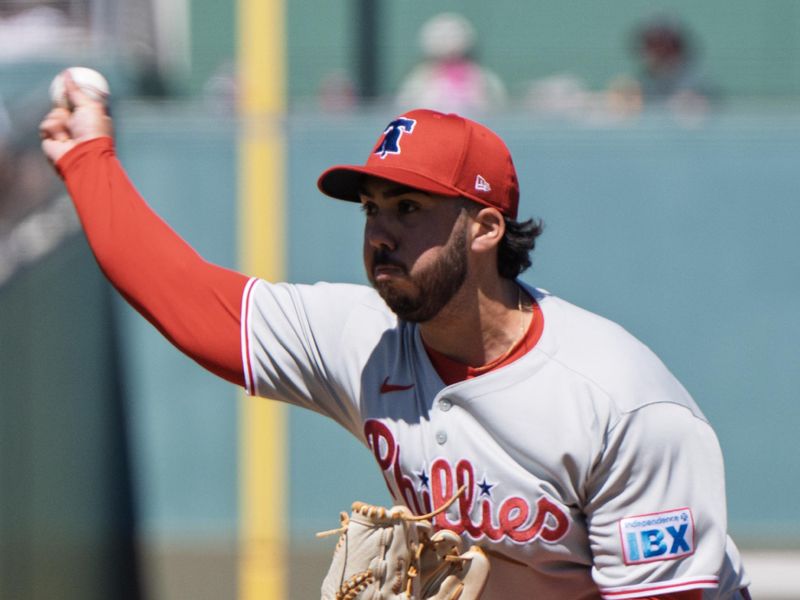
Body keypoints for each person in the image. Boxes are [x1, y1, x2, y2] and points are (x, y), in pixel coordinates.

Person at [39, 77, 751, 599]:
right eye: (372, 208)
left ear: (485, 227)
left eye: (410, 208)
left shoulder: (621, 402)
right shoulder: (367, 340)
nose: (381, 232)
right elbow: (192, 301)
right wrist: (86, 159)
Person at [395, 12, 507, 115]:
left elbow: (497, 107)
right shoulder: (421, 77)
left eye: (453, 35)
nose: (448, 41)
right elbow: (405, 106)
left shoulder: (480, 76)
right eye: (442, 36)